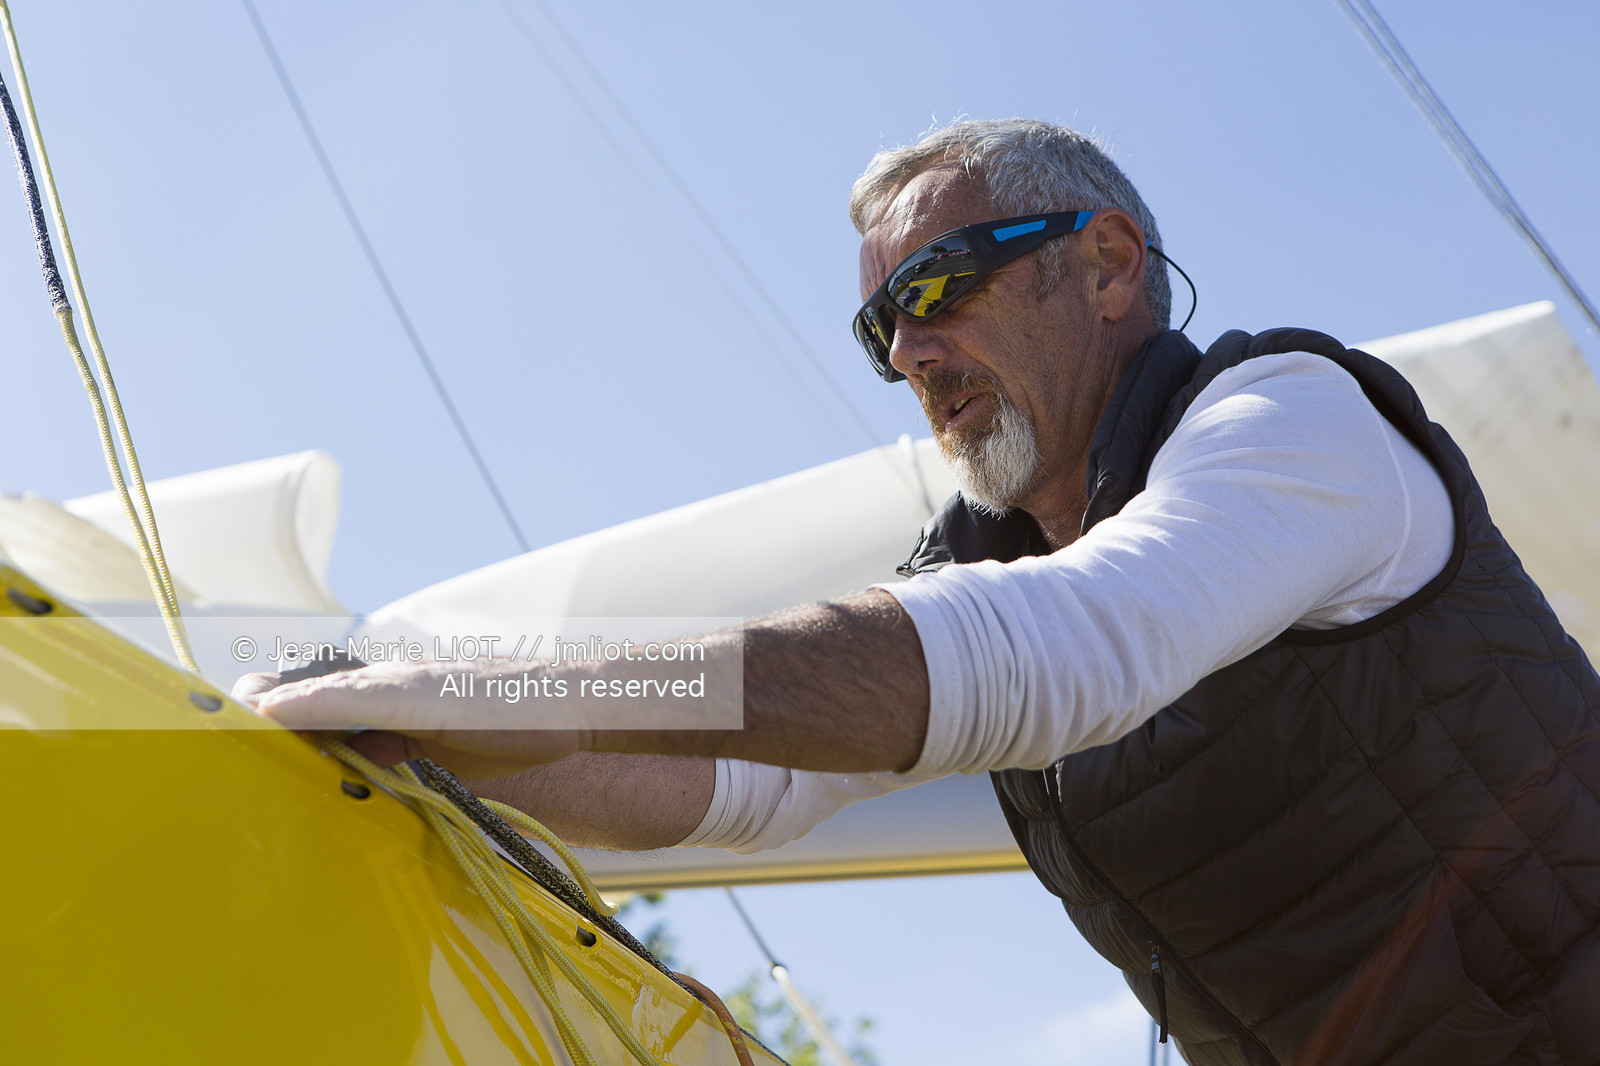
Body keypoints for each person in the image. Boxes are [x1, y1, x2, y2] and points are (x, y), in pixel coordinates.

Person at [240, 119, 1600, 1065]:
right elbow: (734, 789)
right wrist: (427, 735)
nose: (909, 348)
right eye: (878, 323)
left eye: (940, 283)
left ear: (1111, 262)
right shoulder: (982, 561)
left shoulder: (1292, 420)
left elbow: (1074, 649)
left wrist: (523, 686)